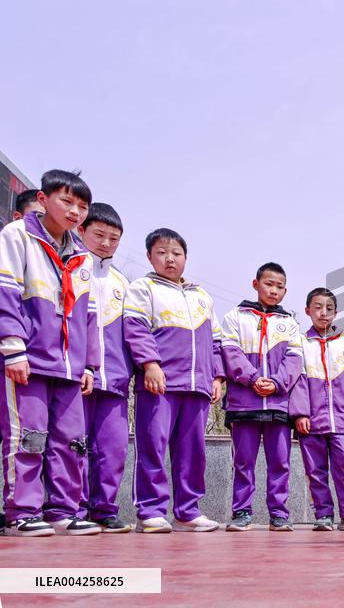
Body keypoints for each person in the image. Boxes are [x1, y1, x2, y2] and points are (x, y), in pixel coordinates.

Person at [0, 170, 101, 536]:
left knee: (72, 441)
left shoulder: (83, 257)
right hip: (29, 358)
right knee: (28, 436)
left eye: (82, 206)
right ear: (43, 200)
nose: (75, 211)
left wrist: (89, 364)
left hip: (70, 367)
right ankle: (23, 510)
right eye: (67, 201)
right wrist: (13, 348)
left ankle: (64, 509)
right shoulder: (18, 237)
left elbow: (89, 316)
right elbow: (6, 293)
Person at [124, 228, 224, 533]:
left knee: (193, 453)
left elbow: (216, 341)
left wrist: (217, 376)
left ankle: (188, 511)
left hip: (197, 386)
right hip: (160, 384)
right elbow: (135, 328)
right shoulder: (143, 288)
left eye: (176, 254)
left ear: (185, 257)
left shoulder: (201, 296)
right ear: (149, 256)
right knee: (152, 446)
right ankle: (151, 512)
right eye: (162, 253)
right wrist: (150, 364)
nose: (170, 259)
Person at [220, 263, 303, 532]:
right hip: (244, 404)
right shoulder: (235, 316)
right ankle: (241, 512)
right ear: (256, 284)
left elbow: (295, 360)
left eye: (279, 286)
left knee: (280, 462)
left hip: (279, 405)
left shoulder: (289, 322)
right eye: (269, 284)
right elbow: (230, 353)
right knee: (243, 462)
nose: (274, 290)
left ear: (285, 290)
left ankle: (279, 514)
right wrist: (253, 379)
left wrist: (276, 383)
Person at [289, 288, 344, 532]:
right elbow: (298, 381)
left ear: (336, 313)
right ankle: (323, 514)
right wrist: (300, 414)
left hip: (343, 421)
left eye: (328, 308)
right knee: (315, 470)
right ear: (307, 311)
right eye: (317, 307)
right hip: (312, 421)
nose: (323, 313)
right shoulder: (301, 343)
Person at [77, 202, 133, 533]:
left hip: (115, 381)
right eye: (99, 235)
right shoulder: (69, 269)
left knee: (112, 448)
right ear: (80, 231)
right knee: (74, 446)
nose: (106, 244)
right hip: (75, 377)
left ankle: (104, 508)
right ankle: (75, 507)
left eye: (114, 238)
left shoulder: (123, 283)